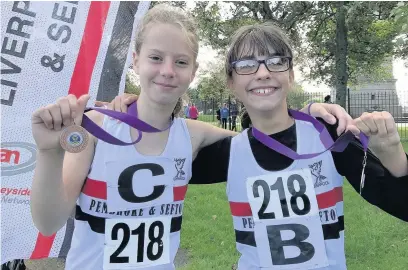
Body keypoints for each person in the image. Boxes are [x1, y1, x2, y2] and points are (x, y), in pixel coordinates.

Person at [30, 4, 361, 270]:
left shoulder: (193, 136)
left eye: (181, 61)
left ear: (194, 71)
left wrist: (310, 112)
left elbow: (265, 137)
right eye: (156, 58)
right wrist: (49, 153)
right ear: (135, 61)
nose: (168, 71)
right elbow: (48, 223)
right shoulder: (97, 128)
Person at [187, 23, 408, 270]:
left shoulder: (327, 136)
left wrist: (391, 152)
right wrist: (135, 108)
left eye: (276, 61)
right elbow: (158, 142)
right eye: (247, 64)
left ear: (291, 75)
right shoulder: (228, 153)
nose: (262, 73)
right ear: (230, 81)